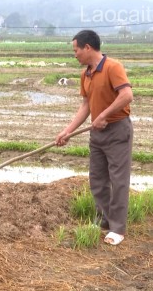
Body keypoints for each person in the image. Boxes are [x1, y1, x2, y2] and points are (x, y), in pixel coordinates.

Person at [56, 30, 133, 246]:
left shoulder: (112, 67)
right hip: (96, 132)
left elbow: (126, 95)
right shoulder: (85, 75)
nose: (75, 54)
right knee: (97, 179)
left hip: (117, 129)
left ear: (87, 48)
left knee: (118, 180)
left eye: (76, 50)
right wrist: (68, 131)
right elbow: (86, 106)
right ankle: (104, 221)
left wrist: (104, 115)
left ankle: (118, 229)